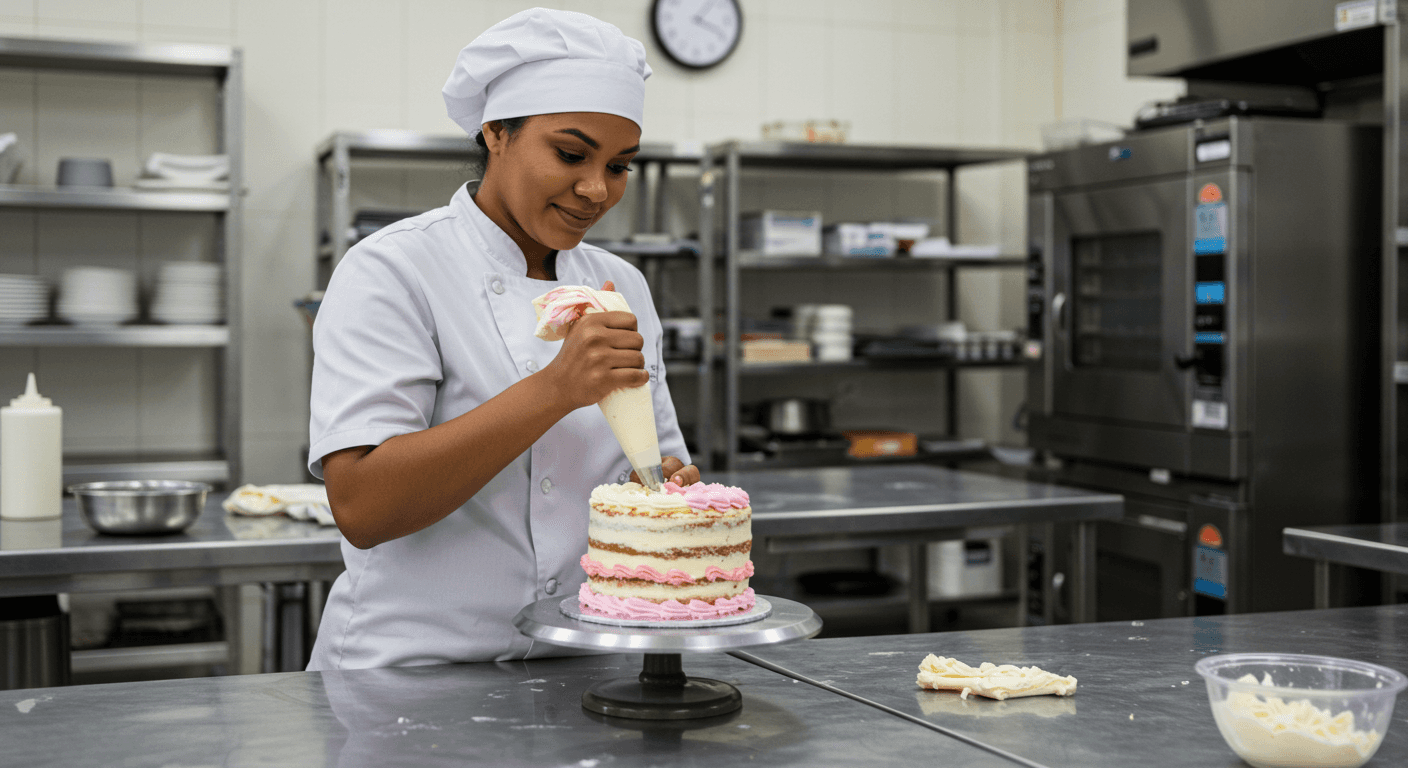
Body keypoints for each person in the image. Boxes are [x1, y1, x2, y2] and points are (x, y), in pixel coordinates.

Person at [306, 8, 699, 670]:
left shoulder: (621, 284)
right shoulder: (396, 268)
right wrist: (554, 389)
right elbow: (363, 507)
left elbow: (653, 468)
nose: (596, 189)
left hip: (586, 667)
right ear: (495, 132)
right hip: (409, 676)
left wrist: (662, 496)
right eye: (570, 155)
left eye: (621, 165)